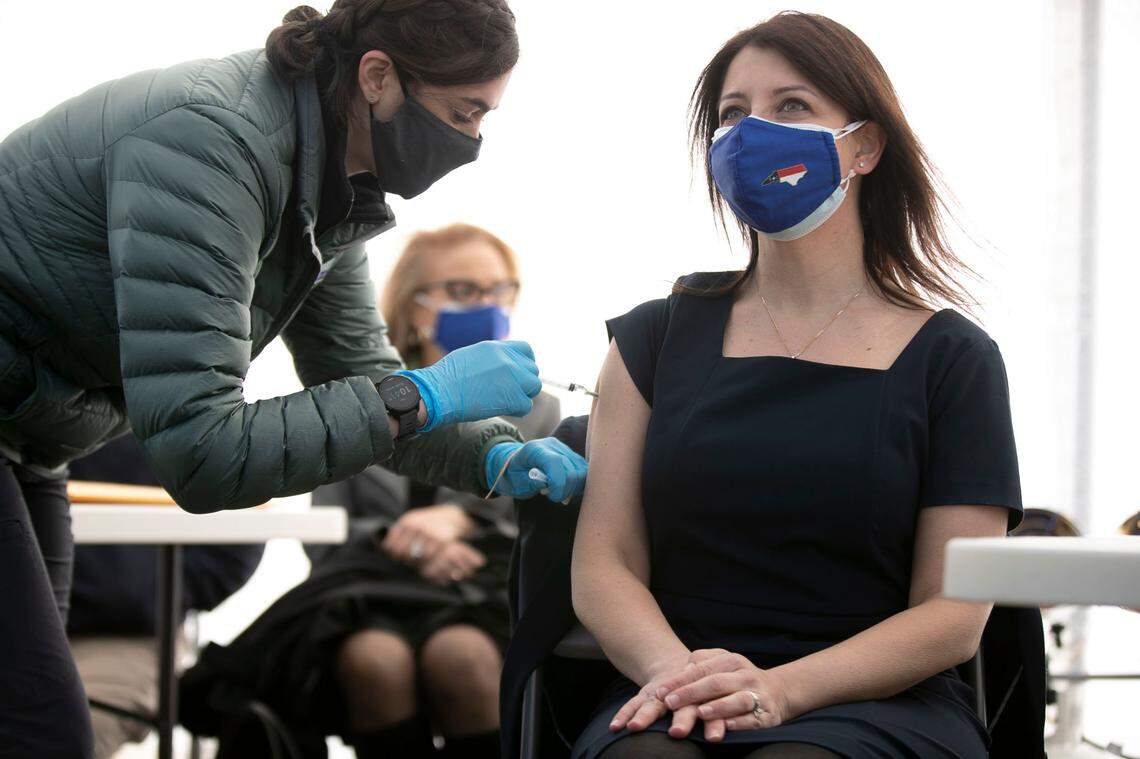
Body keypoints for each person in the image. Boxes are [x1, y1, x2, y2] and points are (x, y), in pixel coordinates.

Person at [0, 2, 586, 755]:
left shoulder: (330, 191)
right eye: (463, 112)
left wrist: (491, 453)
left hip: (33, 438)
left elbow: (363, 379)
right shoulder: (212, 146)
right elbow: (202, 450)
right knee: (39, 731)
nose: (473, 140)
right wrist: (424, 392)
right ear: (378, 76)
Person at [570, 12, 1022, 759]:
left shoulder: (954, 358)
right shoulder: (652, 339)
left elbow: (953, 612)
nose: (753, 133)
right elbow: (605, 561)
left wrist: (781, 689)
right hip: (673, 685)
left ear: (866, 146)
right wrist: (677, 675)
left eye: (792, 106)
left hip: (876, 698)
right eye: (732, 114)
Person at [180, 224, 559, 758]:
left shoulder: (536, 408)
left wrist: (461, 524)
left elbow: (543, 525)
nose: (488, 305)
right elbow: (325, 530)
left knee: (462, 657)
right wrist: (404, 539)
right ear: (414, 304)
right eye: (465, 291)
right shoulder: (367, 402)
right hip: (366, 598)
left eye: (501, 290)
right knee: (373, 661)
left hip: (478, 593)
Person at [66, 435, 265, 759]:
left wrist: (155, 591)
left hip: (126, 638)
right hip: (24, 625)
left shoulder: (188, 413)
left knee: (62, 734)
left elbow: (239, 536)